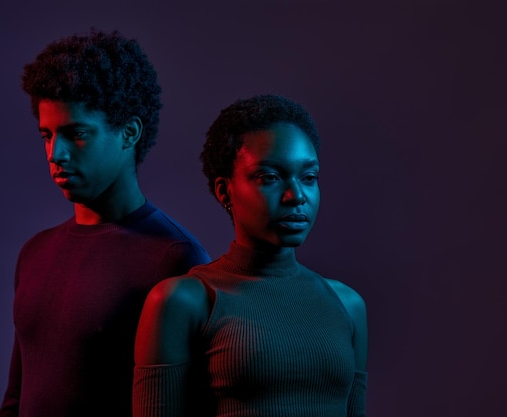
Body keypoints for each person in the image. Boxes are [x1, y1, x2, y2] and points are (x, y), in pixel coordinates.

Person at [0, 30, 211, 417]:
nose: (55, 154)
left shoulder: (174, 259)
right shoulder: (34, 253)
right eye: (46, 135)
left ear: (129, 133)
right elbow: (15, 399)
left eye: (76, 134)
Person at [133, 94, 368, 417]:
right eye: (269, 178)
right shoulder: (185, 301)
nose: (296, 195)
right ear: (224, 190)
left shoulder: (347, 305)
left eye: (309, 178)